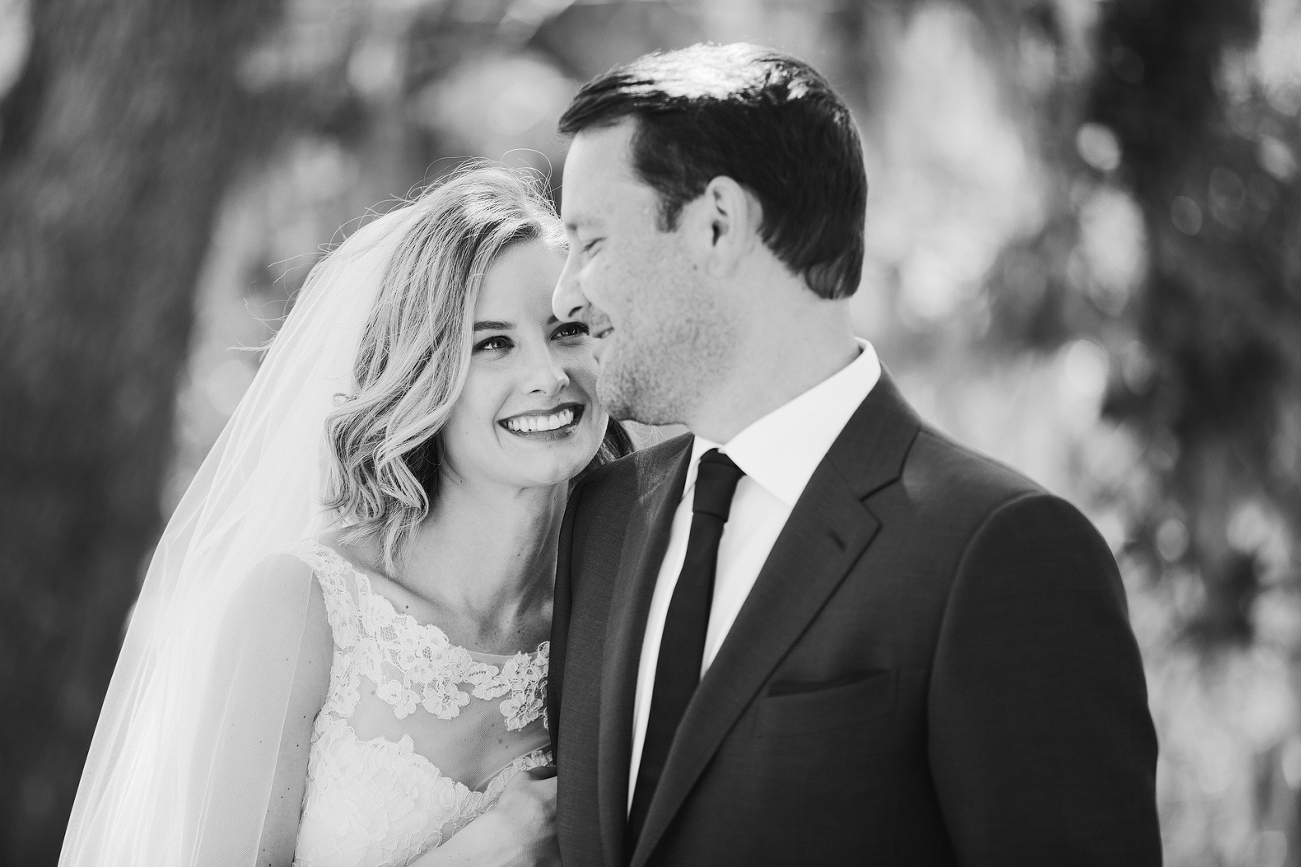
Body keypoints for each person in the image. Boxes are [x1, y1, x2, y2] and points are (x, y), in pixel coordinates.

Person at [547, 43, 1162, 866]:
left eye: (589, 243)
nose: (565, 297)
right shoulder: (600, 520)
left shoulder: (1000, 551)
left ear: (717, 224)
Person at [61, 165, 628, 866]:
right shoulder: (304, 606)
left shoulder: (626, 598)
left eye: (567, 329)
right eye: (492, 343)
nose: (547, 373)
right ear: (423, 373)